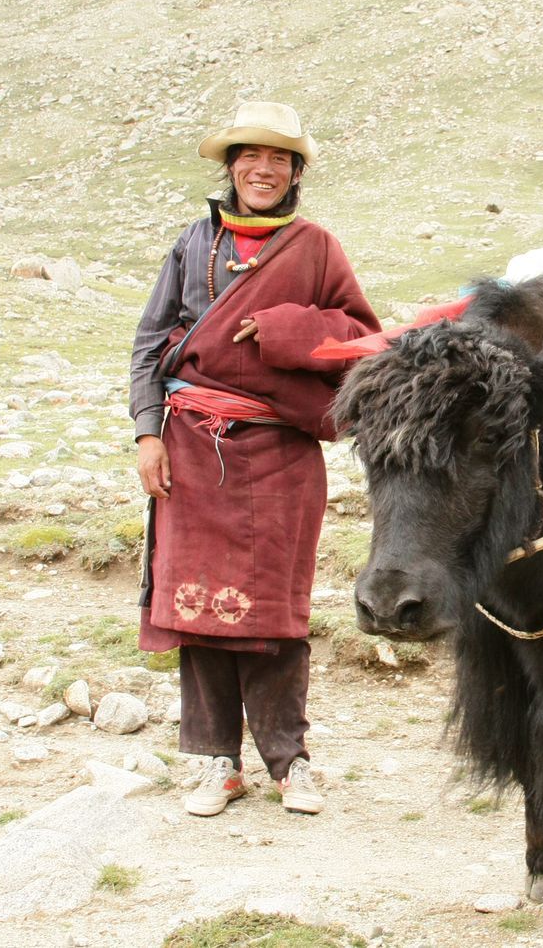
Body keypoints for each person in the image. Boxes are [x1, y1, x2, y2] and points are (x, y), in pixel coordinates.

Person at [129, 100, 380, 818]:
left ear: (296, 172)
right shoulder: (192, 245)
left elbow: (363, 337)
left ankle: (289, 761)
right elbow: (151, 341)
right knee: (197, 606)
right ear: (231, 167)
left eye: (279, 159)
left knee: (275, 611)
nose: (263, 170)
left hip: (280, 452)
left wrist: (288, 328)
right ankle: (217, 762)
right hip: (190, 447)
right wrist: (148, 432)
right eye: (250, 157)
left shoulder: (317, 247)